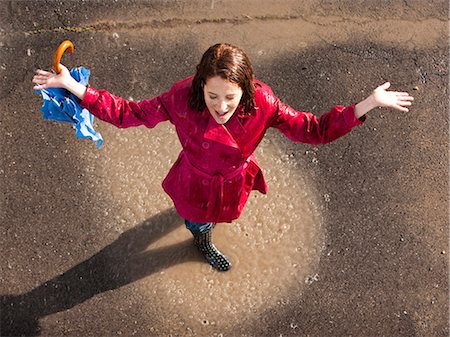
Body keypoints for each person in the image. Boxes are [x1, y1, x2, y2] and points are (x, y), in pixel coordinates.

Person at [32, 43, 414, 272]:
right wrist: (74, 87)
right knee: (196, 219)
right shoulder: (182, 97)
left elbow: (313, 129)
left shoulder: (262, 102)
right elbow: (129, 112)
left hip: (232, 182)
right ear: (201, 84)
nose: (220, 106)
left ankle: (202, 230)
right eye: (212, 95)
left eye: (230, 97)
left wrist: (368, 104)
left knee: (216, 213)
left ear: (245, 89)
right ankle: (201, 240)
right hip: (194, 182)